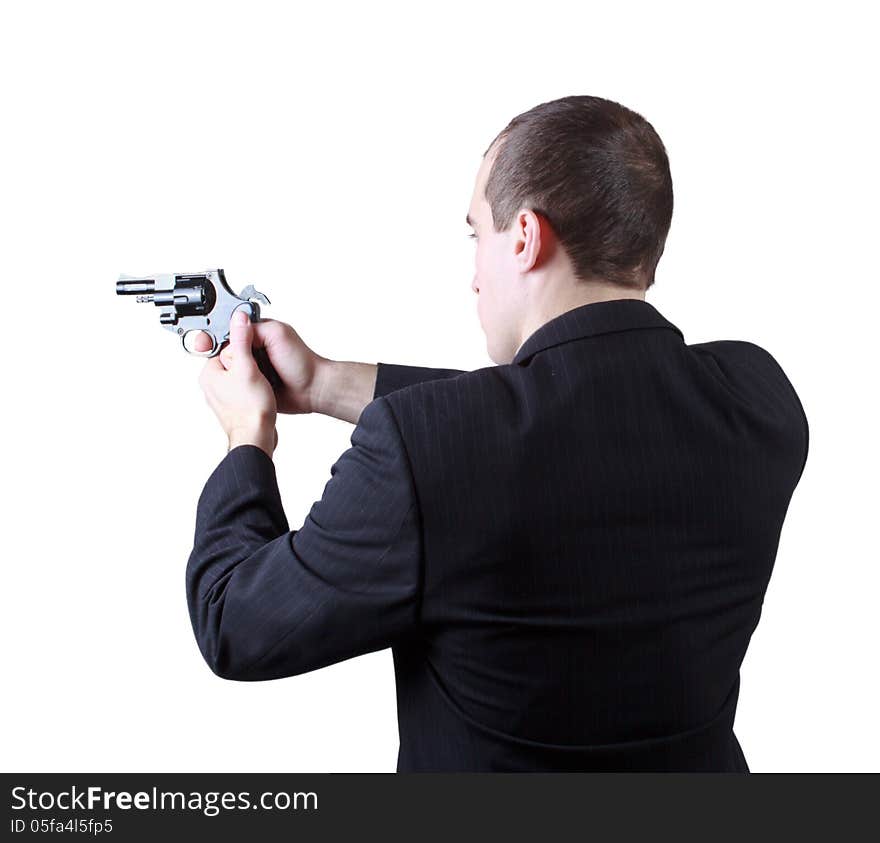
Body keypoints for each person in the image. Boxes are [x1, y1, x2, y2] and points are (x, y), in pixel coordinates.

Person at [187, 95, 808, 772]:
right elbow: (552, 412)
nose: (474, 274)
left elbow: (236, 623)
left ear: (525, 237)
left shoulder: (428, 450)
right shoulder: (759, 398)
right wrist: (325, 383)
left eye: (475, 233)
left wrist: (248, 433)